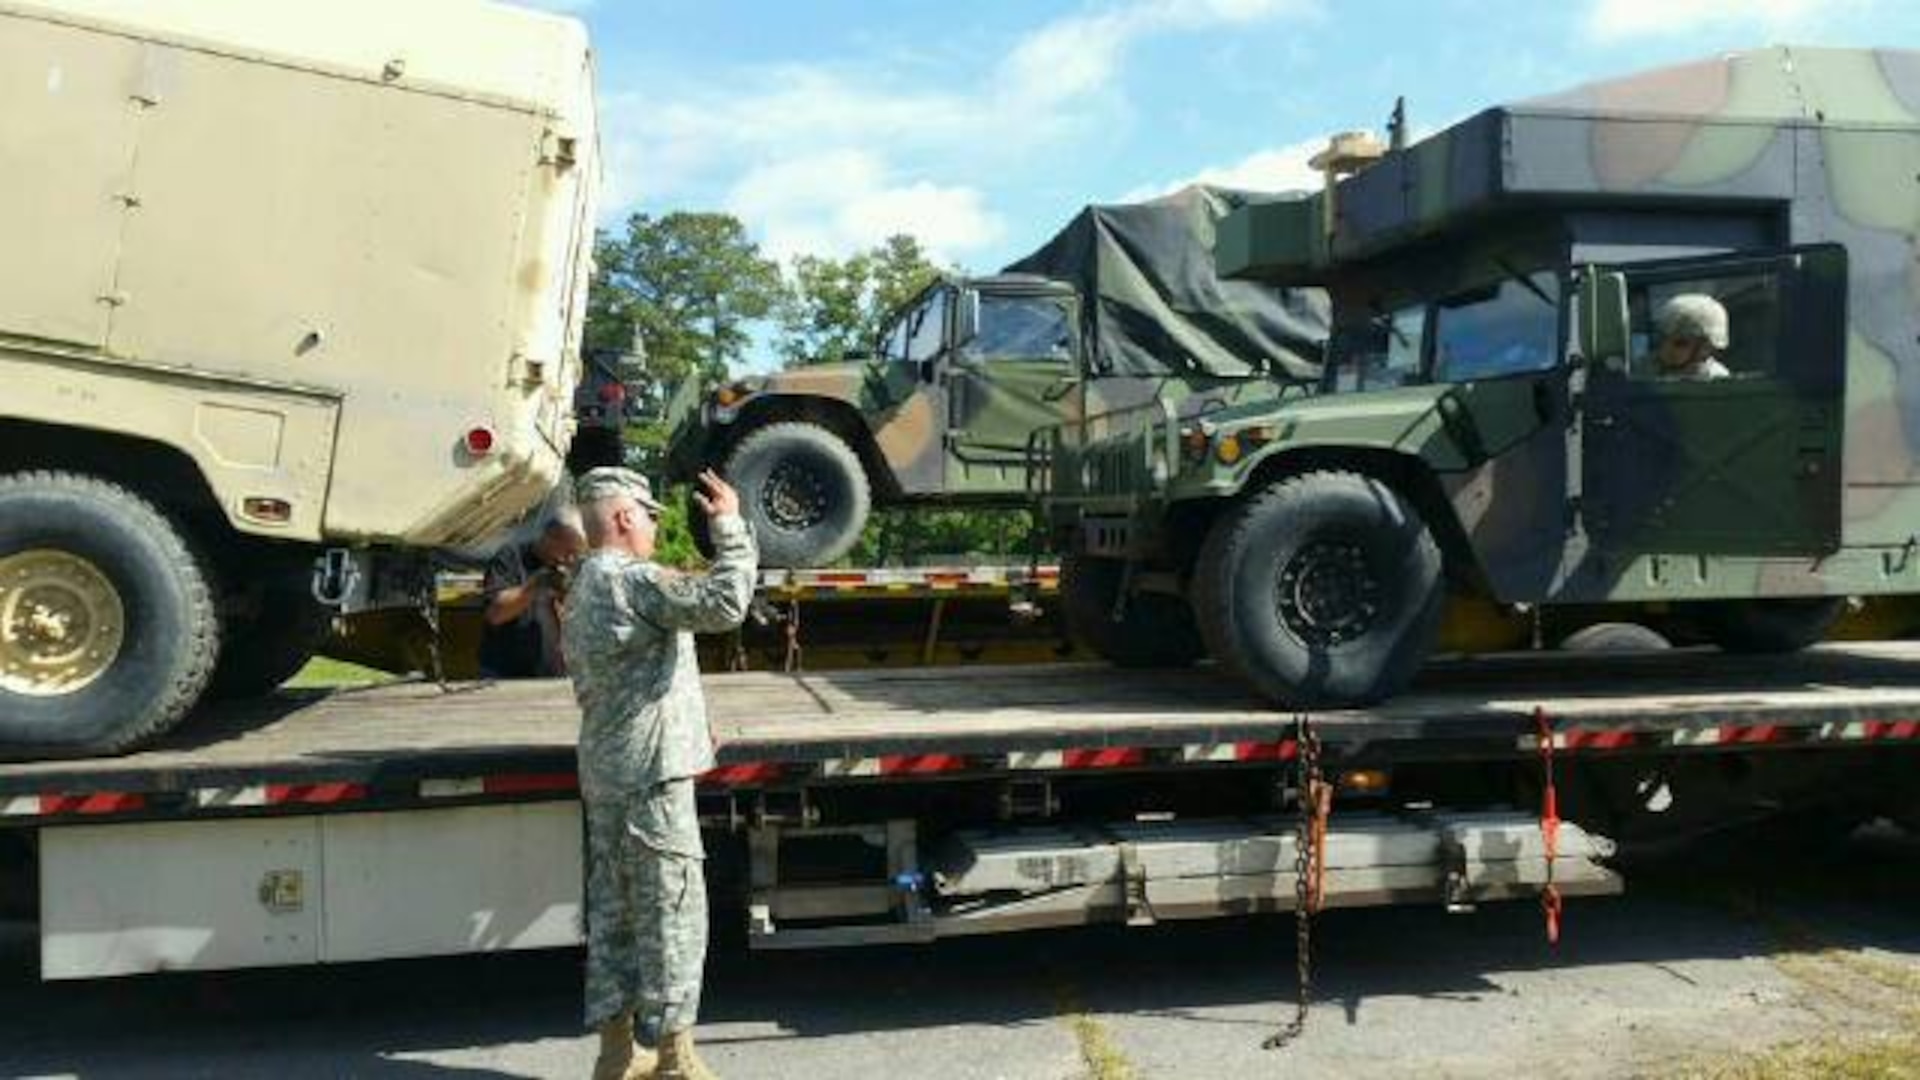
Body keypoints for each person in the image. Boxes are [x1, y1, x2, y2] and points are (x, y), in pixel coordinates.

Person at [563, 466, 756, 1080]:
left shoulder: (585, 583)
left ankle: (618, 1054)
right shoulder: (635, 580)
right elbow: (726, 603)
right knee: (672, 913)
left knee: (614, 916)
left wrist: (694, 722)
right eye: (649, 516)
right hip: (651, 778)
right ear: (624, 518)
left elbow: (636, 680)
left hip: (609, 771)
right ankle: (677, 1060)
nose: (652, 528)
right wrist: (728, 525)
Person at [478, 508, 587, 678]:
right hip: (508, 677)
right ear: (551, 537)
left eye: (576, 553)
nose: (570, 559)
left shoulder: (572, 567)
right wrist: (536, 586)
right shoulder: (511, 557)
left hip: (557, 678)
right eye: (568, 551)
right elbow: (495, 613)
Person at [1650, 293, 1732, 381]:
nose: (1666, 349)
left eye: (1680, 343)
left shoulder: (1717, 381)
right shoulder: (1650, 372)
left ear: (1705, 348)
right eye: (1662, 339)